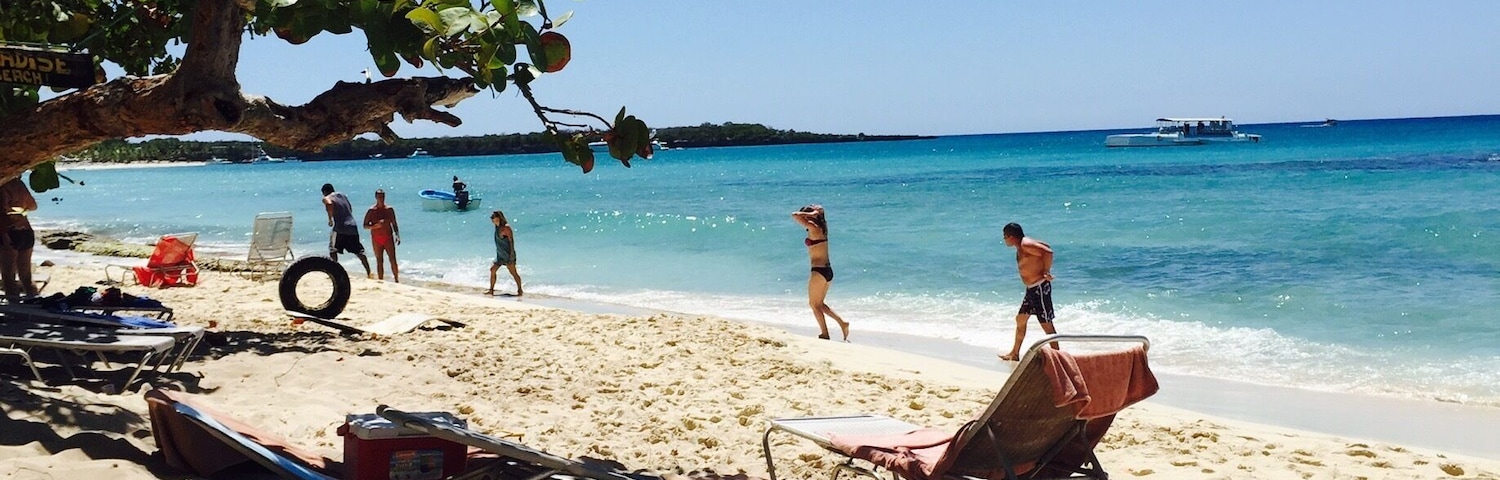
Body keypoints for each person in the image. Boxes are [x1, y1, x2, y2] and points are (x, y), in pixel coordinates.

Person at [998, 222, 1059, 361]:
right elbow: (1046, 247)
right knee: (1020, 319)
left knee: (1046, 324)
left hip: (1039, 289)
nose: (1004, 240)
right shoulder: (1024, 244)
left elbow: (1048, 252)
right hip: (1031, 289)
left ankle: (1058, 357)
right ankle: (1014, 353)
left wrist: (1046, 271)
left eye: (1005, 237)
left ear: (1011, 237)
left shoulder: (1026, 244)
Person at [792, 204, 848, 341]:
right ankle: (842, 323)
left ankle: (825, 333)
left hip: (818, 271)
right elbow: (821, 210)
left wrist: (810, 215)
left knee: (814, 304)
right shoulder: (823, 228)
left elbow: (794, 215)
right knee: (819, 304)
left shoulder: (814, 227)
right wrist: (816, 213)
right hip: (827, 271)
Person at [321, 183, 372, 278]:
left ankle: (334, 272)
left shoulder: (327, 197)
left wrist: (330, 218)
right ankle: (369, 272)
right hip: (352, 226)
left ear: (324, 192)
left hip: (340, 227)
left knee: (333, 249)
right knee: (359, 251)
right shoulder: (342, 195)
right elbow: (350, 208)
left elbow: (329, 203)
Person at [0, 177, 38, 301]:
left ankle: (14, 309)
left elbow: (2, 212)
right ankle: (33, 301)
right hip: (26, 231)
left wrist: (5, 239)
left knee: (8, 277)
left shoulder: (2, 185)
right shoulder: (18, 184)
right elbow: (33, 206)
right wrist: (20, 208)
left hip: (8, 232)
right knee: (26, 275)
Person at [362, 189, 400, 282]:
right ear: (376, 197)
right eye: (379, 197)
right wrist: (375, 226)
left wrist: (397, 235)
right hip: (376, 238)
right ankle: (381, 280)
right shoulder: (371, 211)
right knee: (379, 260)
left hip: (388, 237)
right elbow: (365, 225)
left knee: (392, 259)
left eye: (382, 196)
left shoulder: (389, 210)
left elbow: (394, 223)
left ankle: (396, 279)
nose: (381, 198)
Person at [486, 210, 522, 296]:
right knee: (492, 270)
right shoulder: (497, 227)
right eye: (492, 218)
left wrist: (512, 254)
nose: (492, 219)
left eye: (493, 217)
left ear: (499, 218)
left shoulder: (506, 228)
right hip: (500, 255)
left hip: (508, 254)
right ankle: (491, 290)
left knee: (513, 273)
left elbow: (511, 241)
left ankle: (520, 290)